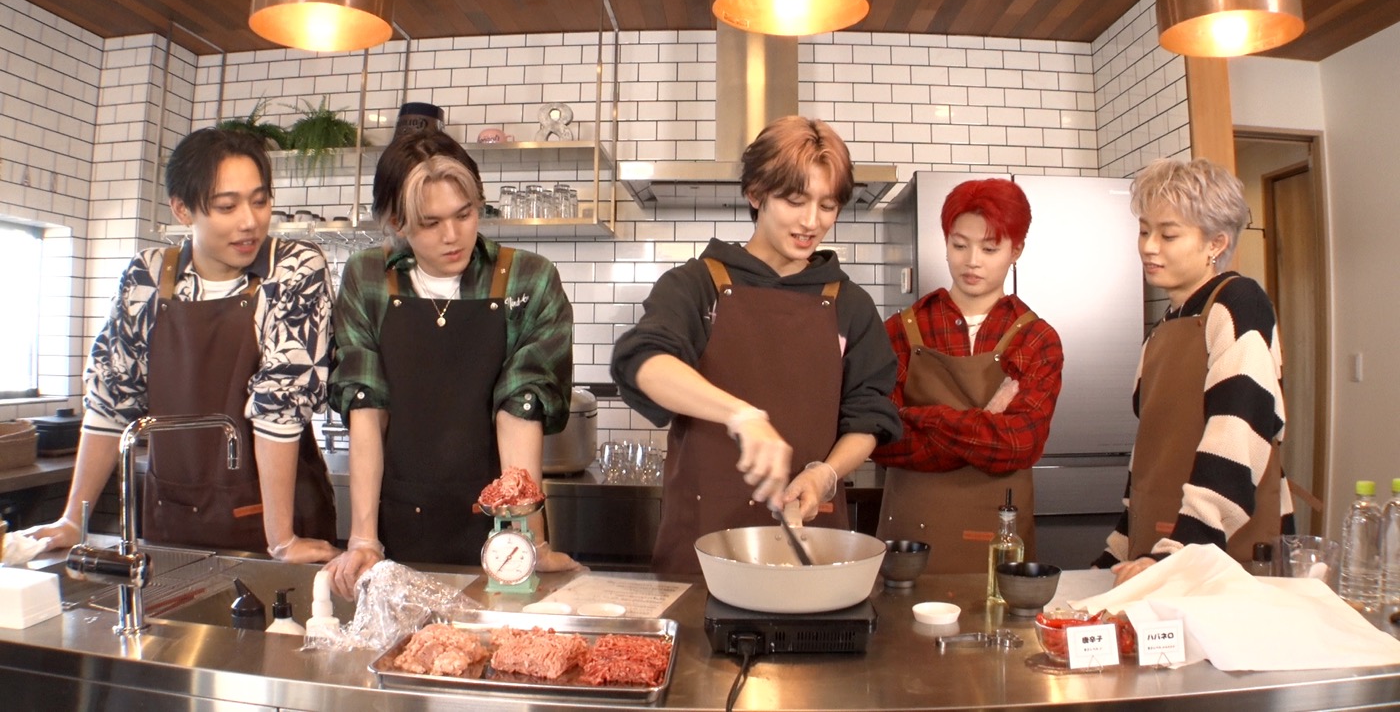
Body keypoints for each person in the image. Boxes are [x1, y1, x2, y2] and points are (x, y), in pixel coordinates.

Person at [23, 128, 338, 561]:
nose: (250, 221)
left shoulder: (293, 268)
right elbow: (112, 400)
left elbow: (278, 407)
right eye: (227, 206)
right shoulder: (147, 278)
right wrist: (73, 520)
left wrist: (281, 539)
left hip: (280, 520)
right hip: (173, 518)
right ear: (182, 209)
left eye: (260, 201)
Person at [610, 115, 901, 574]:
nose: (811, 222)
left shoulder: (850, 304)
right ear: (756, 193)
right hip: (700, 545)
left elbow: (869, 413)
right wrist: (741, 416)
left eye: (827, 205)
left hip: (810, 543)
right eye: (794, 200)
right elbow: (644, 361)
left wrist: (826, 474)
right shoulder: (697, 285)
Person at [324, 130, 579, 598]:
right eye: (429, 223)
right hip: (398, 524)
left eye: (464, 214)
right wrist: (362, 539)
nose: (452, 235)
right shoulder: (367, 276)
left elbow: (521, 405)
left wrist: (526, 539)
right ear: (396, 222)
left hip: (498, 531)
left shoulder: (529, 278)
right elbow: (366, 403)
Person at [1092, 158, 1293, 586]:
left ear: (1216, 244)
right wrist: (1120, 550)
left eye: (1168, 235)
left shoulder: (1239, 303)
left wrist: (1184, 547)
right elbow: (1151, 455)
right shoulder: (1164, 326)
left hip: (1219, 555)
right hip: (1161, 552)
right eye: (1144, 231)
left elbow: (1239, 432)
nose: (1149, 247)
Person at [871, 178, 1064, 574]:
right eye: (960, 245)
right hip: (908, 541)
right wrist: (984, 430)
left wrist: (921, 417)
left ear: (1016, 251)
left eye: (990, 249)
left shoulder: (1036, 339)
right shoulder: (900, 331)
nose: (972, 261)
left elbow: (1019, 445)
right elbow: (882, 440)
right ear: (945, 243)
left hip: (1000, 545)